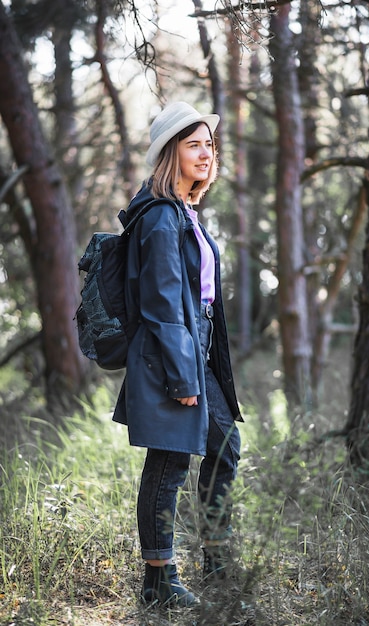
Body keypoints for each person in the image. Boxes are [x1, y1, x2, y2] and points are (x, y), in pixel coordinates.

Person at [113, 101, 242, 608]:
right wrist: (183, 377)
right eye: (194, 144)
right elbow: (164, 304)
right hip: (172, 352)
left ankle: (215, 556)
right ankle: (158, 581)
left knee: (223, 447)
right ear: (170, 154)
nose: (206, 153)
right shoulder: (163, 218)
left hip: (197, 345)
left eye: (209, 144)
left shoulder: (182, 211)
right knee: (169, 462)